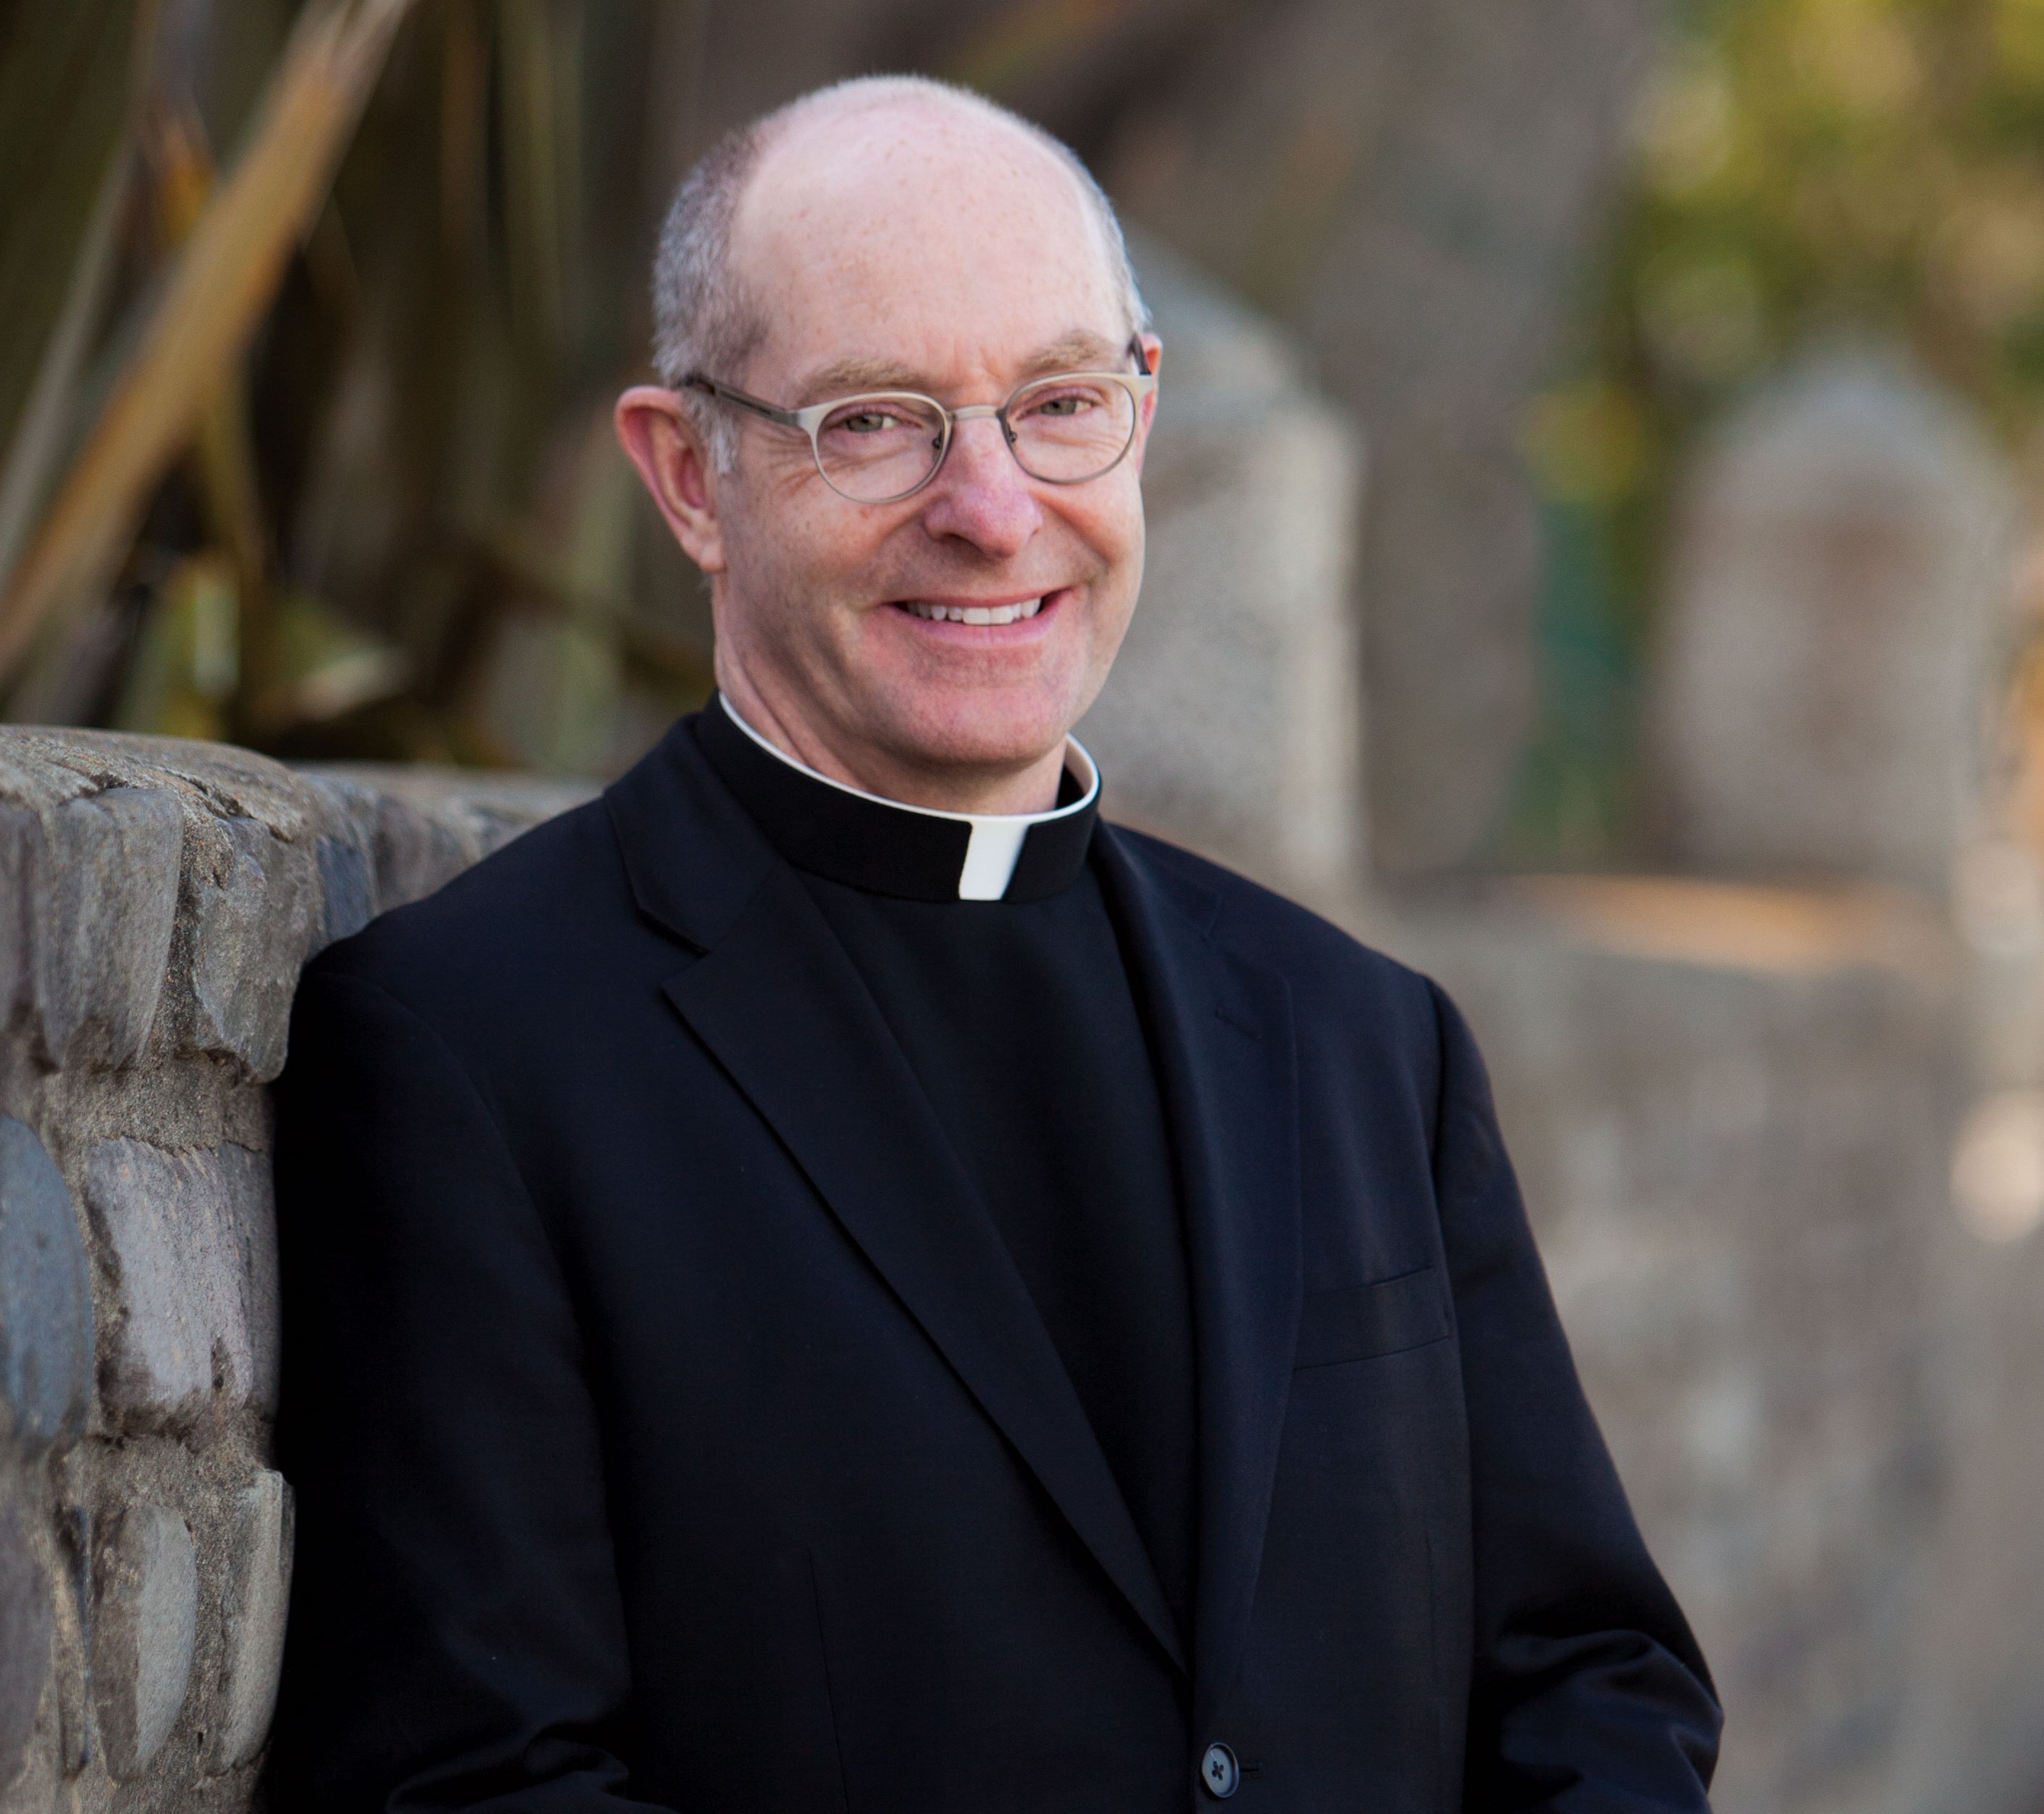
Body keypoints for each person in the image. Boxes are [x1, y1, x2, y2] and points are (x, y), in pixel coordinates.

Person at [268, 74, 1718, 1813]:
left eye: (1058, 403)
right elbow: (475, 1781)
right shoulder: (477, 1052)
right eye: (877, 422)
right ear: (689, 474)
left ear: (1143, 413)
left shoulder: (1360, 1042)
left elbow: (1589, 1680)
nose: (993, 505)